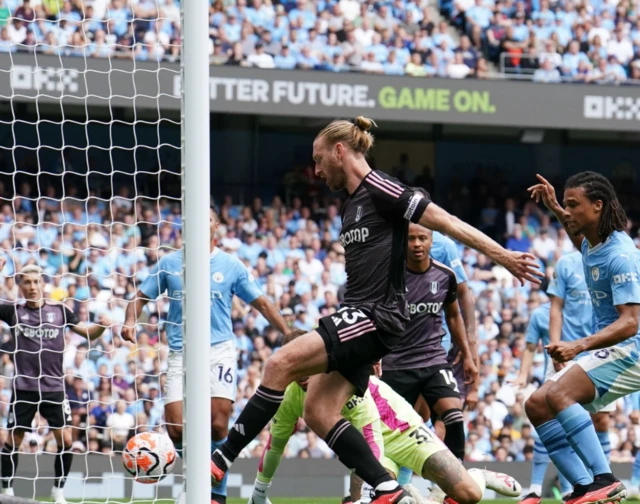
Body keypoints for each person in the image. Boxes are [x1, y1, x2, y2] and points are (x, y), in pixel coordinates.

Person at [211, 116, 541, 504]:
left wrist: (504, 257)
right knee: (318, 410)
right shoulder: (349, 206)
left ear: (340, 151)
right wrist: (365, 349)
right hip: (363, 322)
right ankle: (386, 489)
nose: (315, 171)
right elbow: (362, 278)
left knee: (278, 364)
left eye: (319, 160)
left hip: (377, 317)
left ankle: (220, 459)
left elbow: (447, 222)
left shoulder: (381, 188)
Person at [121, 207, 289, 504]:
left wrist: (288, 334)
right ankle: (195, 479)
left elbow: (261, 303)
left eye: (208, 218)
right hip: (179, 352)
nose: (203, 223)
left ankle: (216, 494)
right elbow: (141, 296)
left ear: (217, 226)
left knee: (217, 424)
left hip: (218, 349)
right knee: (175, 426)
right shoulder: (170, 263)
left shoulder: (230, 265)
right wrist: (130, 321)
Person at [248, 330, 521, 504]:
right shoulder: (290, 396)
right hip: (367, 449)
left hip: (402, 431)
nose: (303, 370)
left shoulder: (342, 372)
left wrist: (377, 488)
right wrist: (259, 495)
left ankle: (476, 476)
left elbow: (369, 428)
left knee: (470, 495)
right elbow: (275, 445)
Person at [525, 172, 640, 504]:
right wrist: (554, 207)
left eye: (574, 205)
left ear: (598, 206)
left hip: (632, 349)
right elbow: (580, 240)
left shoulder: (621, 254)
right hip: (615, 348)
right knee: (535, 404)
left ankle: (604, 480)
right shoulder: (593, 242)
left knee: (560, 393)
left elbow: (631, 323)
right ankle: (583, 487)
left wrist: (577, 345)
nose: (568, 211)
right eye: (566, 204)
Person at [0, 264, 110, 504]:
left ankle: (58, 491)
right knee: (13, 441)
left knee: (67, 441)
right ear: (20, 286)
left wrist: (102, 325)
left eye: (35, 282)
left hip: (54, 389)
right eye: (26, 282)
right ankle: (6, 491)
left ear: (43, 284)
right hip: (24, 389)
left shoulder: (60, 310)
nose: (31, 287)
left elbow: (88, 333)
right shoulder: (13, 311)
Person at [381, 224, 477, 469]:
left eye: (422, 238)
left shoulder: (445, 276)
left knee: (454, 415)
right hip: (396, 365)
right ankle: (374, 491)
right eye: (411, 238)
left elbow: (454, 316)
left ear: (432, 241)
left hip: (433, 360)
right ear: (403, 242)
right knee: (390, 430)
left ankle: (456, 479)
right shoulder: (390, 277)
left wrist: (468, 355)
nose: (416, 244)